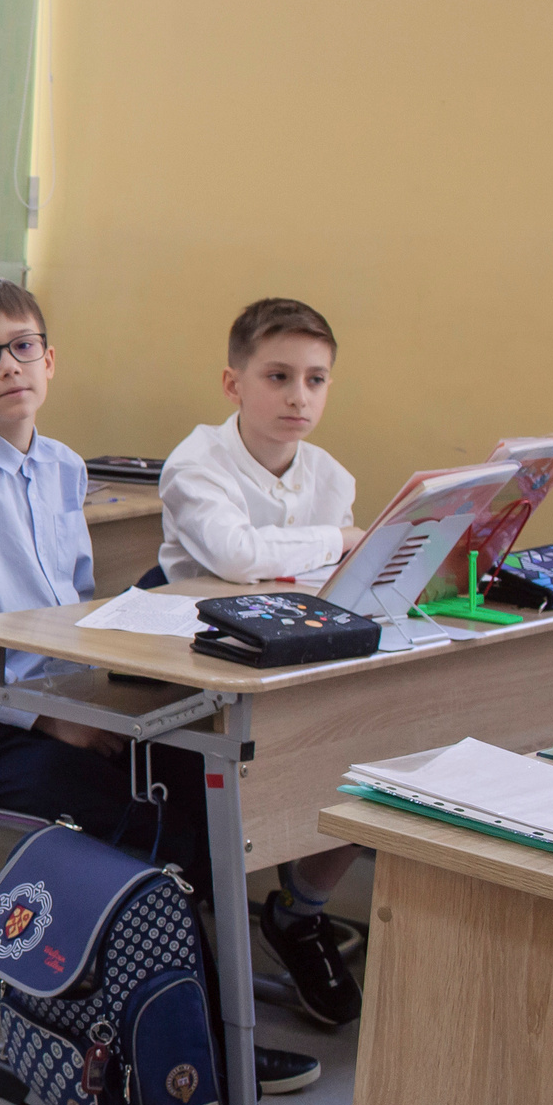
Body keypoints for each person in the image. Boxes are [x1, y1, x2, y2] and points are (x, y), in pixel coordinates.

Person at [0, 276, 320, 1094]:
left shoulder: (61, 468)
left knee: (199, 778)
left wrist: (105, 692)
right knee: (148, 811)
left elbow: (75, 612)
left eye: (22, 347)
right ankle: (193, 1037)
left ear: (50, 361)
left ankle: (184, 1002)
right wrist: (45, 721)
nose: (9, 366)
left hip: (58, 703)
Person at [157, 296, 364, 1024]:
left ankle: (299, 908)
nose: (298, 396)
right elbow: (237, 556)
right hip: (202, 669)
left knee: (379, 742)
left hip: (296, 653)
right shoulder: (196, 462)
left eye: (316, 379)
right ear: (233, 382)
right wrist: (336, 540)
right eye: (278, 376)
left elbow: (322, 577)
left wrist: (334, 546)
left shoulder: (331, 475)